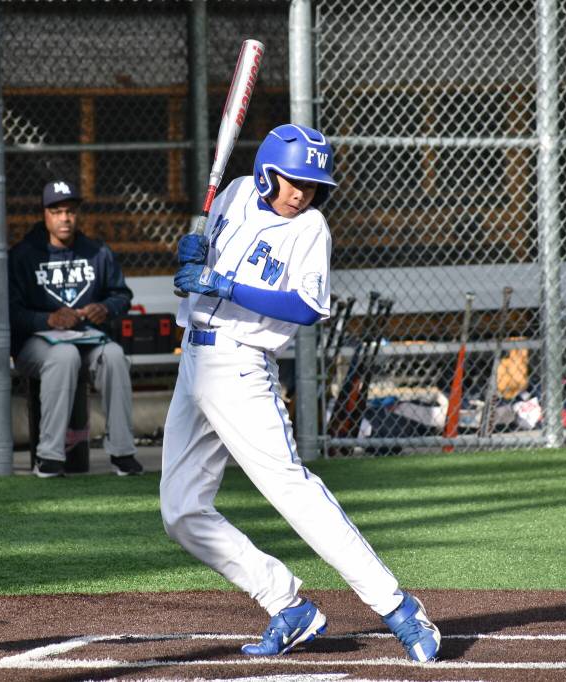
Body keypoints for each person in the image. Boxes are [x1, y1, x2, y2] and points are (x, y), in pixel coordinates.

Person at [161, 124, 441, 662]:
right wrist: (194, 254)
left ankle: (399, 608)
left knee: (293, 491)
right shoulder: (235, 193)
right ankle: (286, 605)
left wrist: (222, 285)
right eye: (293, 181)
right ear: (267, 173)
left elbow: (308, 307)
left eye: (312, 186)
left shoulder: (311, 228)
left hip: (242, 367)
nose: (302, 193)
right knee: (180, 511)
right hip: (193, 359)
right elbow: (201, 268)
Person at [9, 180, 144, 478]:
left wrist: (105, 308)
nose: (65, 218)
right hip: (37, 344)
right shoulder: (24, 254)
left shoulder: (96, 251)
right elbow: (10, 312)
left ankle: (123, 453)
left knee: (114, 355)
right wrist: (47, 320)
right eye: (56, 212)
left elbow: (122, 295)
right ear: (45, 214)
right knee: (64, 355)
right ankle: (49, 457)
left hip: (87, 338)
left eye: (70, 211)